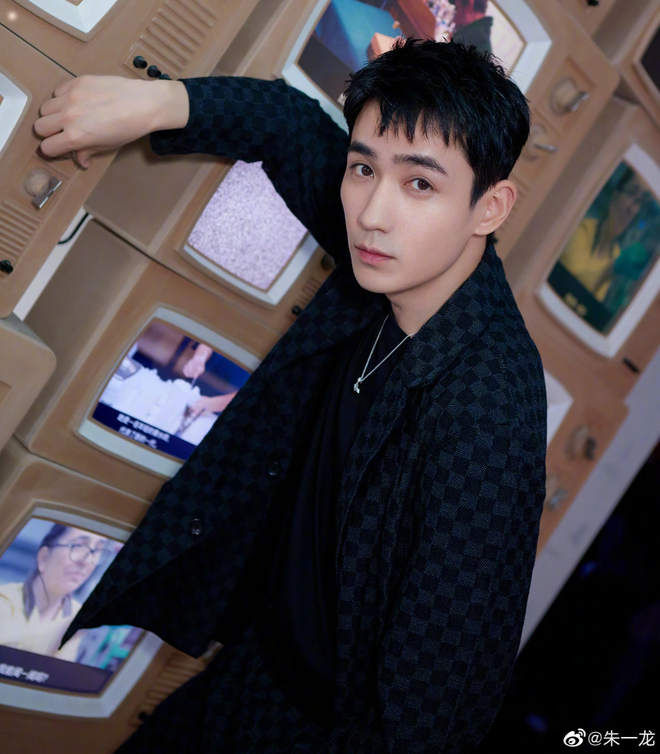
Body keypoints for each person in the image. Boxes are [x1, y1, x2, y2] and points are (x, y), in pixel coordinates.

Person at [36, 37, 547, 752]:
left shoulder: (487, 409)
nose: (372, 213)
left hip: (312, 732)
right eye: (363, 168)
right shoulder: (394, 260)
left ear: (490, 207)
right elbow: (288, 124)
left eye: (420, 185)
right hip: (248, 667)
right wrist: (156, 102)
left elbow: (435, 704)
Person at [0, 524, 111, 661]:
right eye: (78, 546)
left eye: (98, 550)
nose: (87, 561)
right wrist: (60, 635)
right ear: (44, 557)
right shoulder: (5, 599)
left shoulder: (78, 613)